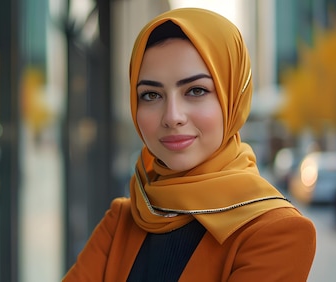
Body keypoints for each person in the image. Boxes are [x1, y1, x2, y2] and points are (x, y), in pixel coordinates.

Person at [63, 7, 316, 282]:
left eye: (196, 91)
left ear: (232, 98)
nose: (172, 117)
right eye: (150, 95)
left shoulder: (276, 231)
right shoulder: (123, 220)